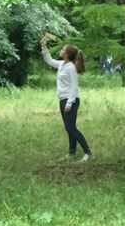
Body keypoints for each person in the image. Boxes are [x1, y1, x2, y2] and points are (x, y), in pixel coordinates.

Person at [40, 32, 93, 161]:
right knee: (69, 128)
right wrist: (44, 47)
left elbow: (74, 87)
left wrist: (69, 103)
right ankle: (72, 152)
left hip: (71, 101)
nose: (61, 50)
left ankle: (88, 152)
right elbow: (50, 61)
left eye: (63, 49)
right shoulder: (62, 64)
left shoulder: (71, 68)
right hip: (62, 99)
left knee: (71, 128)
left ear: (68, 54)